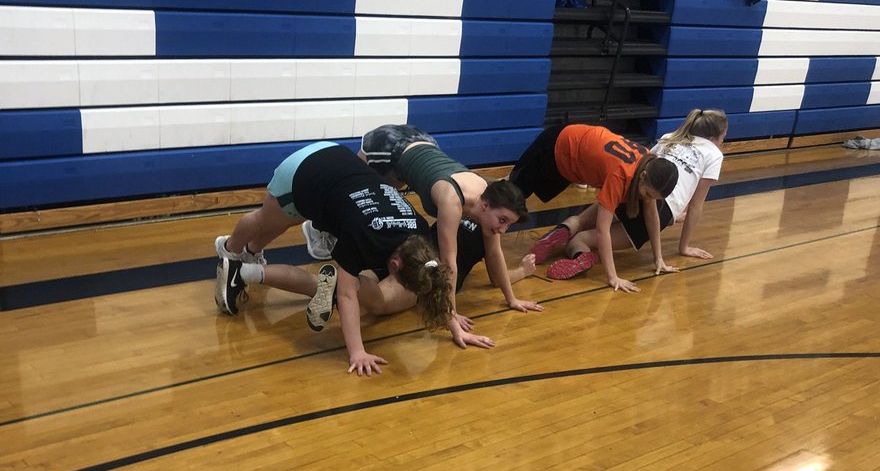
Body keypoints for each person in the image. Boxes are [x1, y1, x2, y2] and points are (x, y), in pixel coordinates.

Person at [214, 141, 490, 375]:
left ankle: (250, 257)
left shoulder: (418, 231)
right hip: (305, 170)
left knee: (281, 221)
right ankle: (229, 250)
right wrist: (357, 352)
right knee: (269, 219)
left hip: (338, 162)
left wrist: (454, 325)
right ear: (394, 265)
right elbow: (346, 295)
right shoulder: (364, 237)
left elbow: (436, 282)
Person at [358, 124, 544, 323]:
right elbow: (449, 264)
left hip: (420, 141)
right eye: (503, 221)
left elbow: (495, 253)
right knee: (355, 197)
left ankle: (338, 281)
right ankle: (337, 263)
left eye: (508, 224)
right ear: (485, 205)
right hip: (387, 145)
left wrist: (512, 299)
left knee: (368, 276)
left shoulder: (486, 196)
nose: (502, 229)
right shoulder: (452, 200)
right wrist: (451, 316)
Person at [514, 123, 678, 290]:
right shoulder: (620, 175)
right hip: (558, 145)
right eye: (648, 194)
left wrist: (659, 259)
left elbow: (652, 213)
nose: (647, 199)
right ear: (643, 176)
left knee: (515, 194)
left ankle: (565, 232)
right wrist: (613, 277)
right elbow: (602, 230)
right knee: (510, 196)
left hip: (574, 145)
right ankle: (490, 243)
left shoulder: (648, 162)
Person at [651, 108, 728, 260]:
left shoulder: (670, 137)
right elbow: (695, 206)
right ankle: (588, 261)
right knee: (592, 240)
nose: (723, 141)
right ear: (712, 139)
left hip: (635, 192)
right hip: (660, 209)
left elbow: (644, 163)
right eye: (723, 137)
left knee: (597, 228)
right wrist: (684, 247)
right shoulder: (713, 154)